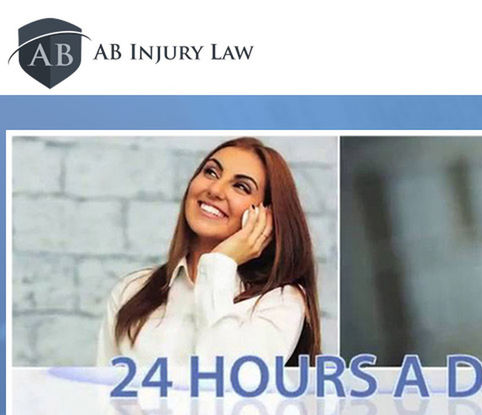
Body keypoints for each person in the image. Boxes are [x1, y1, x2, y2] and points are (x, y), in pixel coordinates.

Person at [96, 137, 321, 368]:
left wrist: (220, 263)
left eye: (241, 186)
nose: (214, 190)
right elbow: (102, 397)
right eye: (211, 172)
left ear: (266, 217)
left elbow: (227, 382)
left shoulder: (281, 302)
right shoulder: (131, 290)